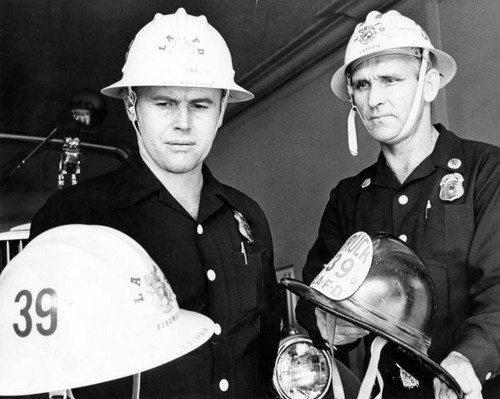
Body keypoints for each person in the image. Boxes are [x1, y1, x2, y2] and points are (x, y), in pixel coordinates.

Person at [27, 8, 282, 399]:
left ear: (221, 111)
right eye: (164, 104)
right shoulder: (74, 220)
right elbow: (38, 370)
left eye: (199, 105)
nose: (183, 123)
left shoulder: (246, 218)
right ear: (132, 106)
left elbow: (267, 355)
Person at [296, 9, 500, 399]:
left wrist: (468, 360)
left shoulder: (484, 172)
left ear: (429, 83)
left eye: (390, 80)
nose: (375, 99)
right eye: (362, 84)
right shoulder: (348, 199)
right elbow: (314, 298)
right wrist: (331, 324)